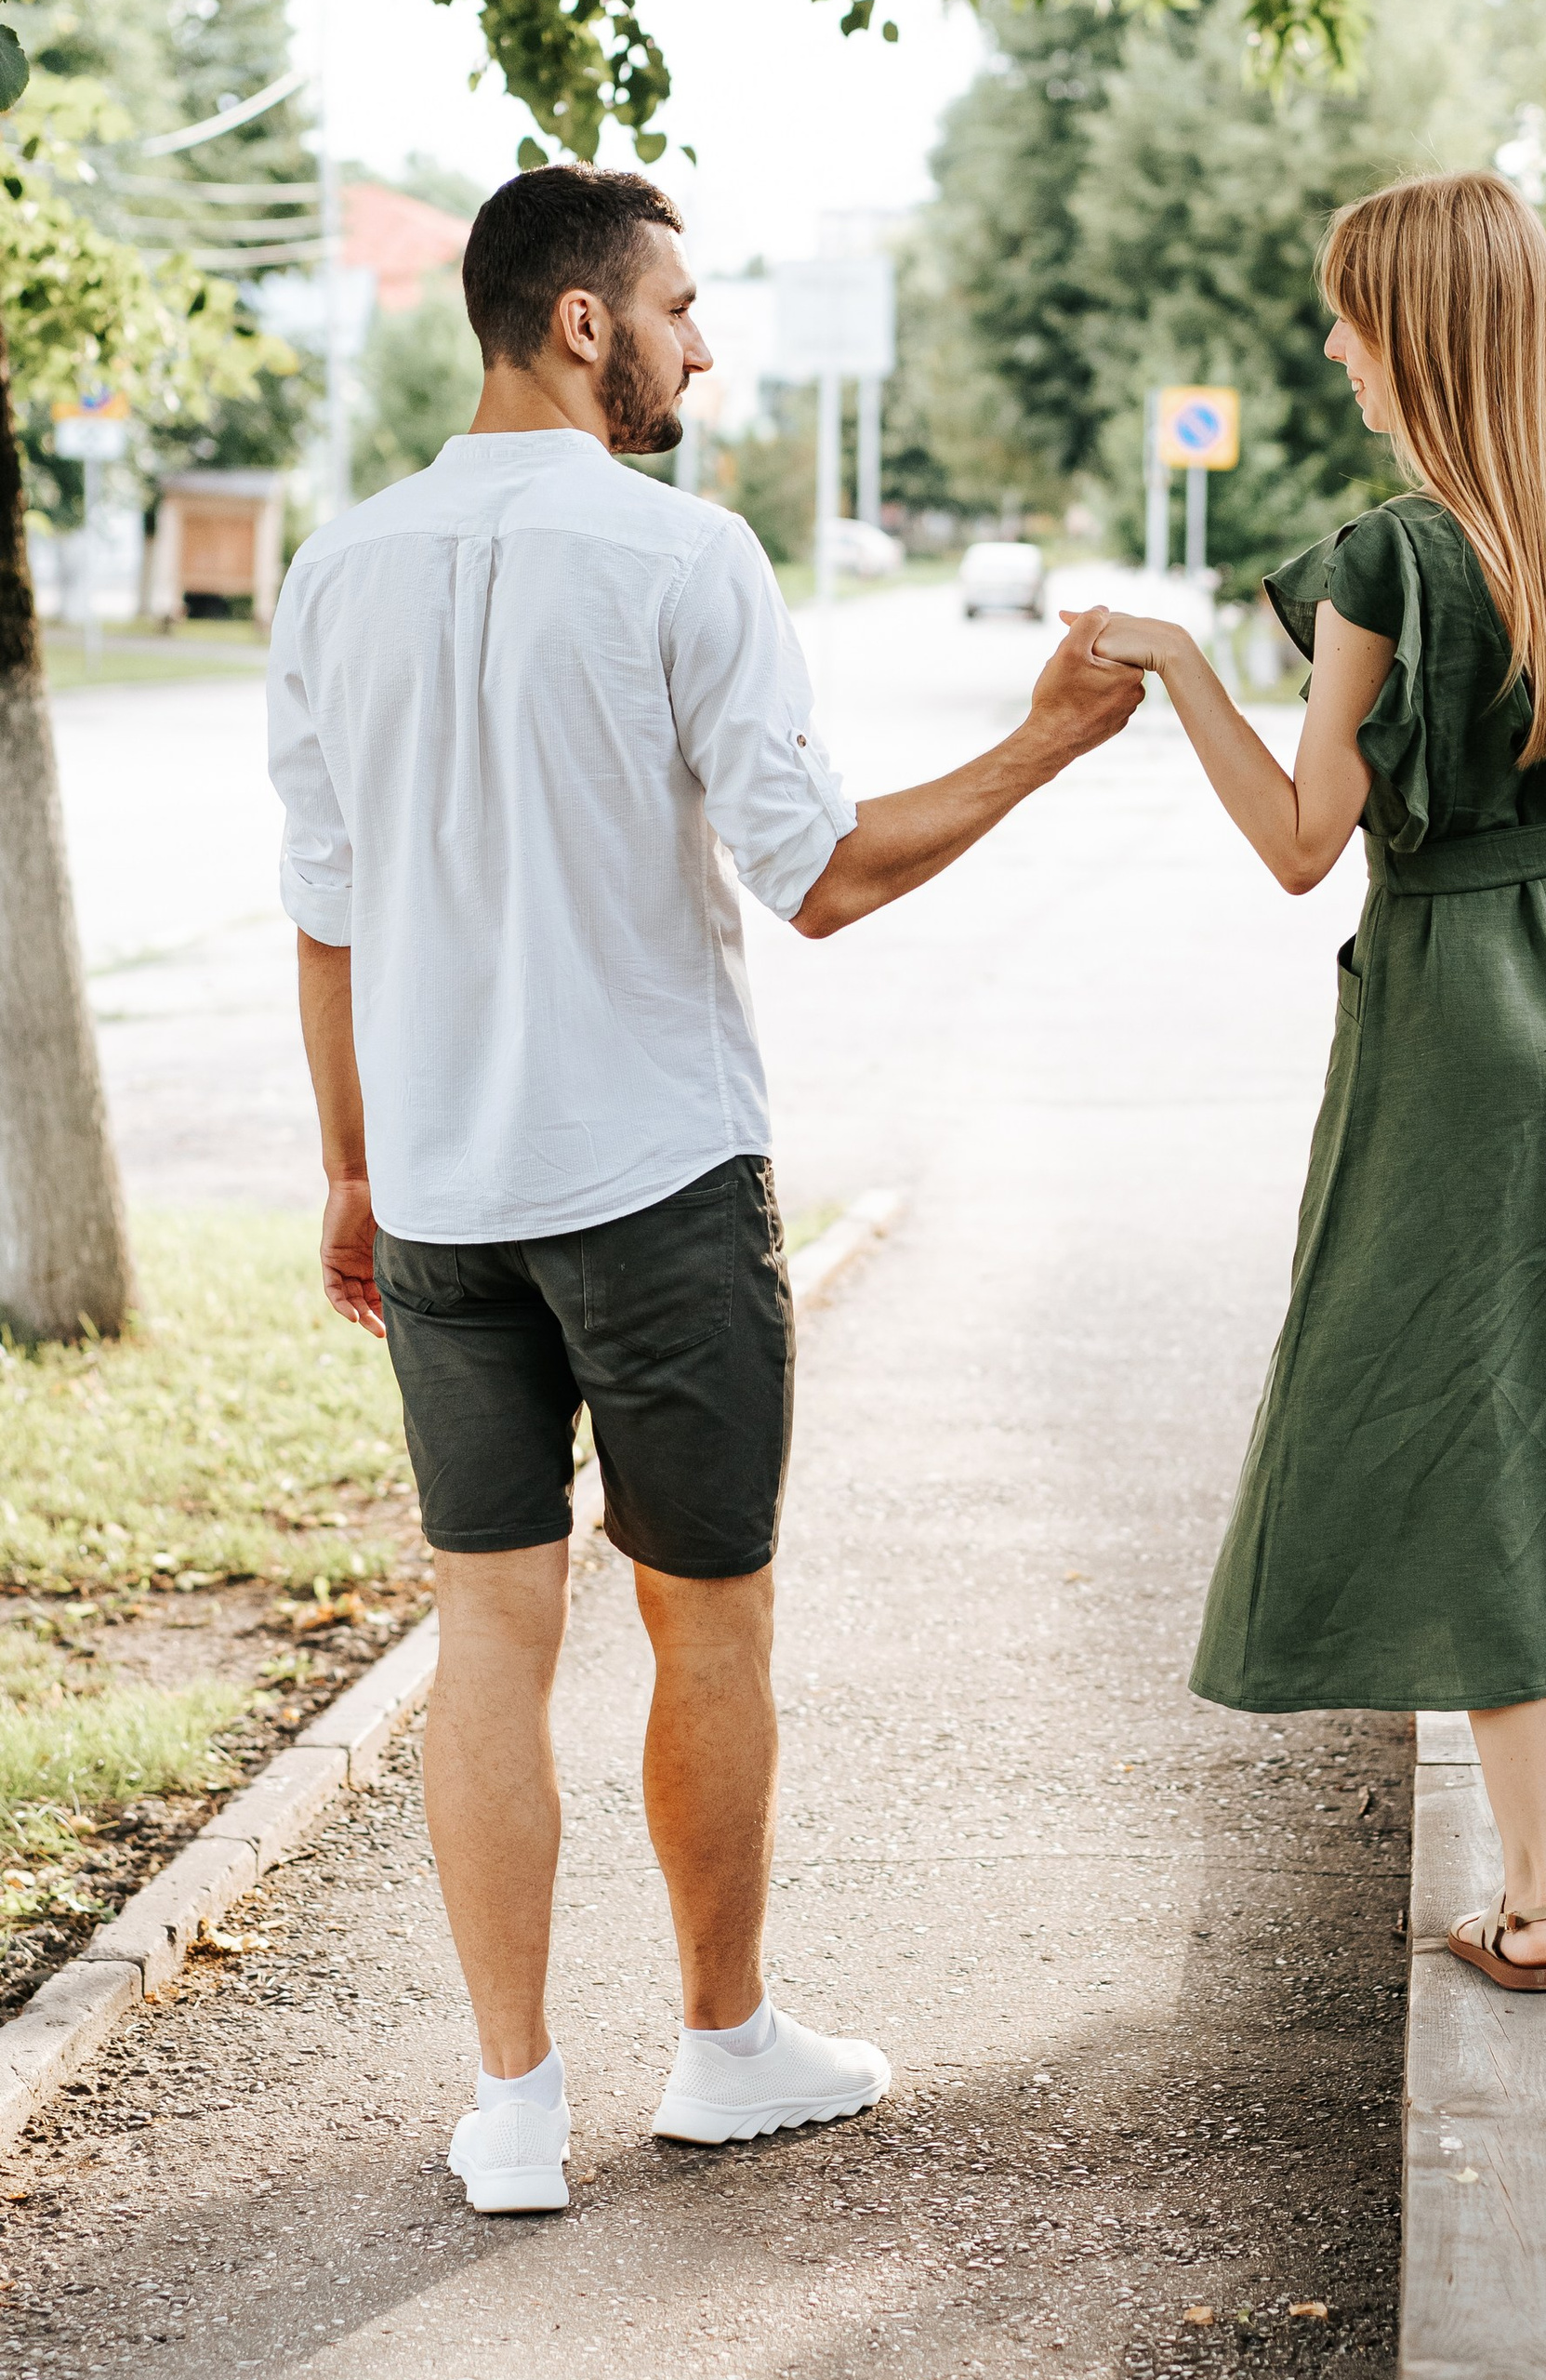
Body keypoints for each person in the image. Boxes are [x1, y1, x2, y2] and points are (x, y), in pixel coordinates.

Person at [271, 164, 1142, 2213]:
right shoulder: (684, 555)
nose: (702, 346)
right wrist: (1044, 741)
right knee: (707, 1624)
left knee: (489, 1630)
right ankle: (726, 2048)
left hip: (444, 1199)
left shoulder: (333, 569)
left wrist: (353, 1166)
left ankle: (511, 2107)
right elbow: (820, 875)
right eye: (677, 308)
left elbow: (325, 914)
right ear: (582, 322)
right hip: (652, 1186)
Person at [1078, 171, 1546, 1989]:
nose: (1331, 344)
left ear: (1413, 335)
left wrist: (1180, 662)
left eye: (1349, 315)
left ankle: (1531, 1897)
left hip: (1465, 1008)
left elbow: (1299, 839)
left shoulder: (1387, 563)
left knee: (1471, 1406)